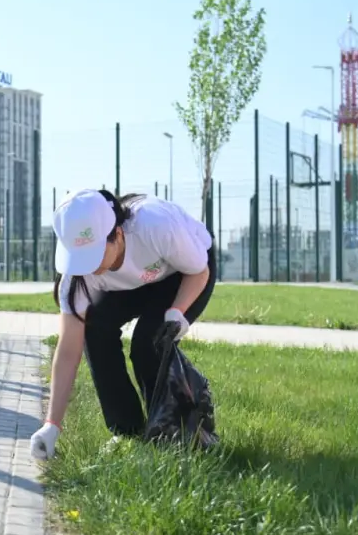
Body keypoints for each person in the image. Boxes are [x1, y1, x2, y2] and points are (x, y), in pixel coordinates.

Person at [30, 188, 217, 461]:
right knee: (94, 329)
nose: (87, 268)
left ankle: (171, 435)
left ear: (117, 235)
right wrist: (51, 426)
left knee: (149, 342)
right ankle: (127, 431)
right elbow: (68, 351)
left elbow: (199, 270)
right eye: (79, 260)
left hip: (185, 272)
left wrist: (177, 312)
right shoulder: (78, 278)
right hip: (134, 281)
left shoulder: (156, 226)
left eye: (93, 256)